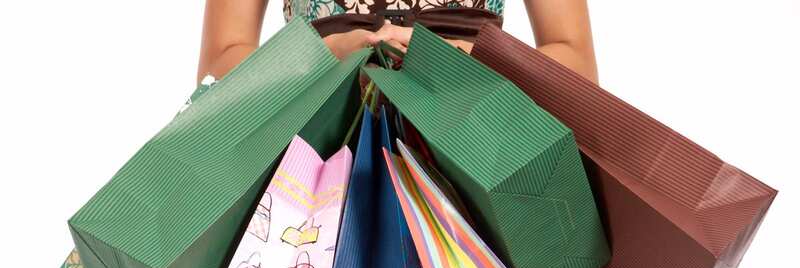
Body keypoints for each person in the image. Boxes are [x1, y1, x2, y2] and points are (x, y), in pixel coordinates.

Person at [197, 0, 598, 84]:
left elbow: (575, 61)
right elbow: (219, 64)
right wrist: (322, 57)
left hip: (475, 143)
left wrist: (461, 56)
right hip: (316, 159)